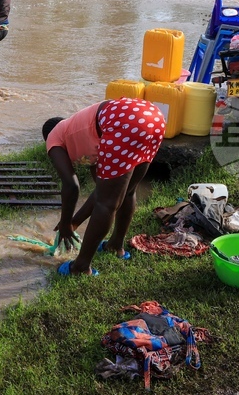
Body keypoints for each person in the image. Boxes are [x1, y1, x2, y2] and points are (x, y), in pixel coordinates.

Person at [42, 97, 166, 276]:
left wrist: (66, 224)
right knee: (128, 190)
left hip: (123, 120)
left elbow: (71, 186)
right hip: (153, 117)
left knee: (107, 204)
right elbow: (101, 189)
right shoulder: (85, 134)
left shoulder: (54, 137)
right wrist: (75, 222)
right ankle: (115, 246)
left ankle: (81, 267)